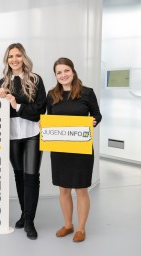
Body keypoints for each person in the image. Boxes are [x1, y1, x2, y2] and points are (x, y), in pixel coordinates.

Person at [46, 57, 102, 242]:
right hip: (60, 150)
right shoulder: (52, 94)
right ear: (56, 75)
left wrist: (94, 121)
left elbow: (97, 115)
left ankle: (80, 228)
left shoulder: (87, 93)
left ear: (73, 71)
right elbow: (48, 118)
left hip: (81, 149)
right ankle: (68, 225)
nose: (63, 75)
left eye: (66, 71)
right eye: (59, 72)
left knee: (81, 189)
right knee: (63, 189)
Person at [0, 43, 46, 240]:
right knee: (19, 175)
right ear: (7, 60)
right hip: (12, 135)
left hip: (32, 133)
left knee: (31, 176)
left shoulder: (35, 79)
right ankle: (25, 215)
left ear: (24, 57)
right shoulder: (3, 81)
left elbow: (40, 110)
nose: (14, 59)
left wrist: (16, 104)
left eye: (17, 55)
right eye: (10, 56)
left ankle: (30, 221)